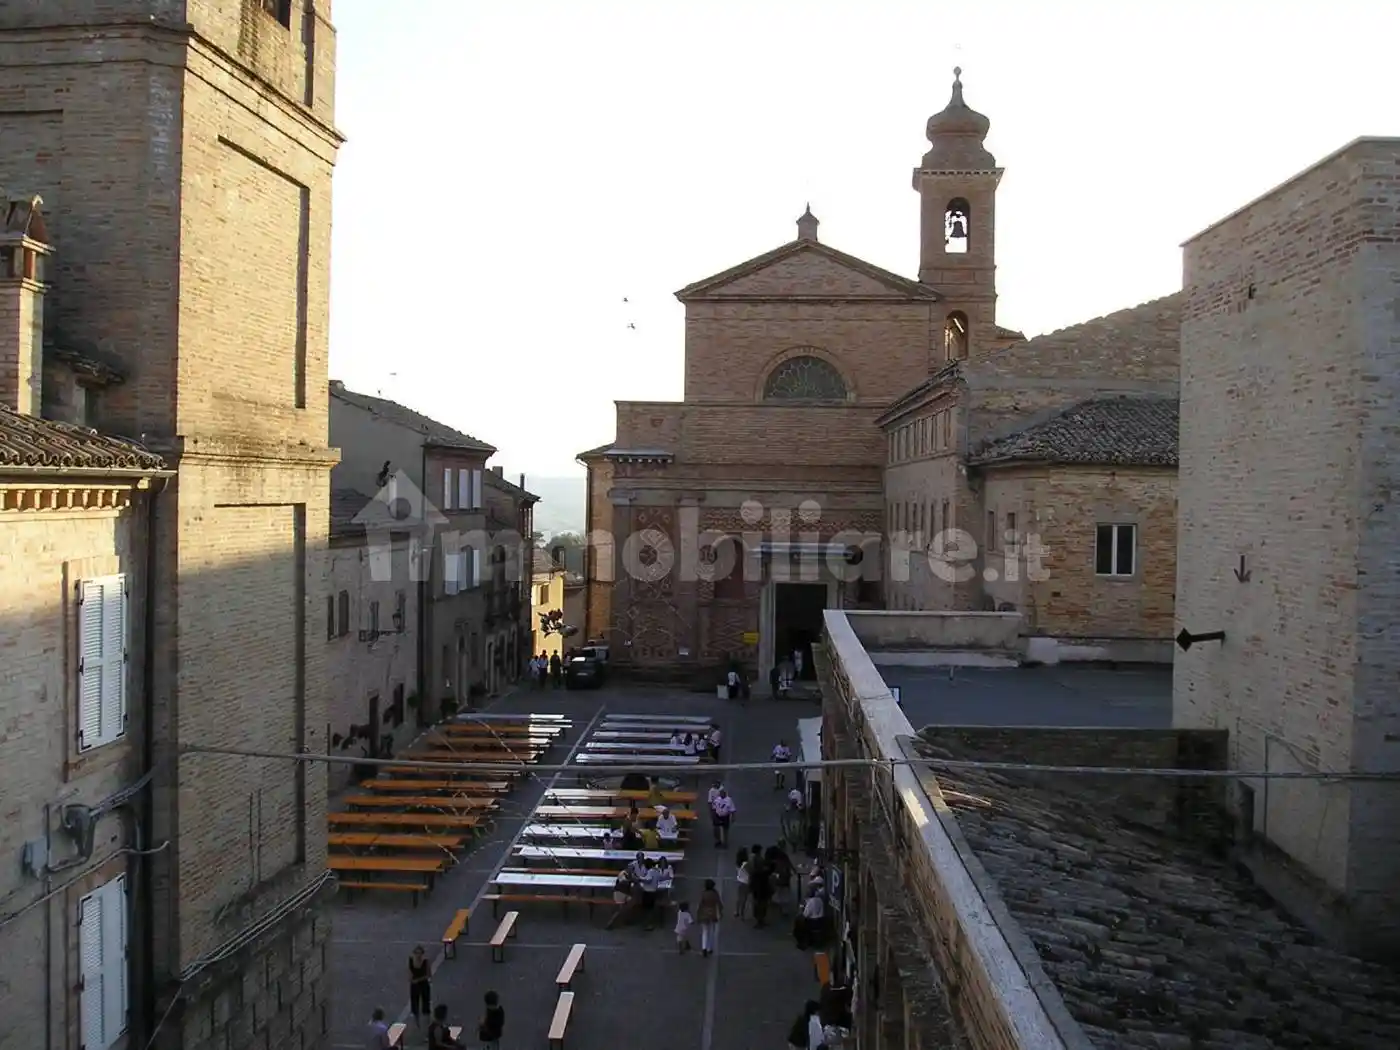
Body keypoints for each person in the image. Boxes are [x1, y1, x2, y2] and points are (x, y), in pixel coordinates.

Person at [696, 877, 723, 957]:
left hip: (704, 914)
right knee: (711, 932)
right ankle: (709, 948)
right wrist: (720, 913)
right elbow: (719, 904)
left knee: (705, 932)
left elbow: (700, 905)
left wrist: (698, 915)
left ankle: (704, 948)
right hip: (712, 914)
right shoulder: (715, 894)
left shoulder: (703, 894)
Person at [408, 945, 432, 1028]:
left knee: (426, 1004)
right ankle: (417, 1024)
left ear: (422, 954)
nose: (418, 955)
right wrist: (410, 978)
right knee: (414, 1004)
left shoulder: (426, 962)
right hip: (414, 986)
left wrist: (418, 980)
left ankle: (427, 1023)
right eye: (416, 953)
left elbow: (429, 975)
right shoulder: (411, 961)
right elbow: (409, 973)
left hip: (424, 984)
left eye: (420, 953)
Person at [796, 885, 826, 949]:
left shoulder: (811, 902)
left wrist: (801, 909)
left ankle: (802, 941)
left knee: (799, 922)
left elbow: (806, 914)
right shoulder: (819, 900)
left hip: (813, 922)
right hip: (821, 920)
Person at [733, 847, 751, 919]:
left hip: (739, 881)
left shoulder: (738, 863)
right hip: (746, 882)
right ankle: (742, 913)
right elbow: (750, 871)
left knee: (739, 897)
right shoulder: (746, 864)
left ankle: (736, 911)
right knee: (744, 899)